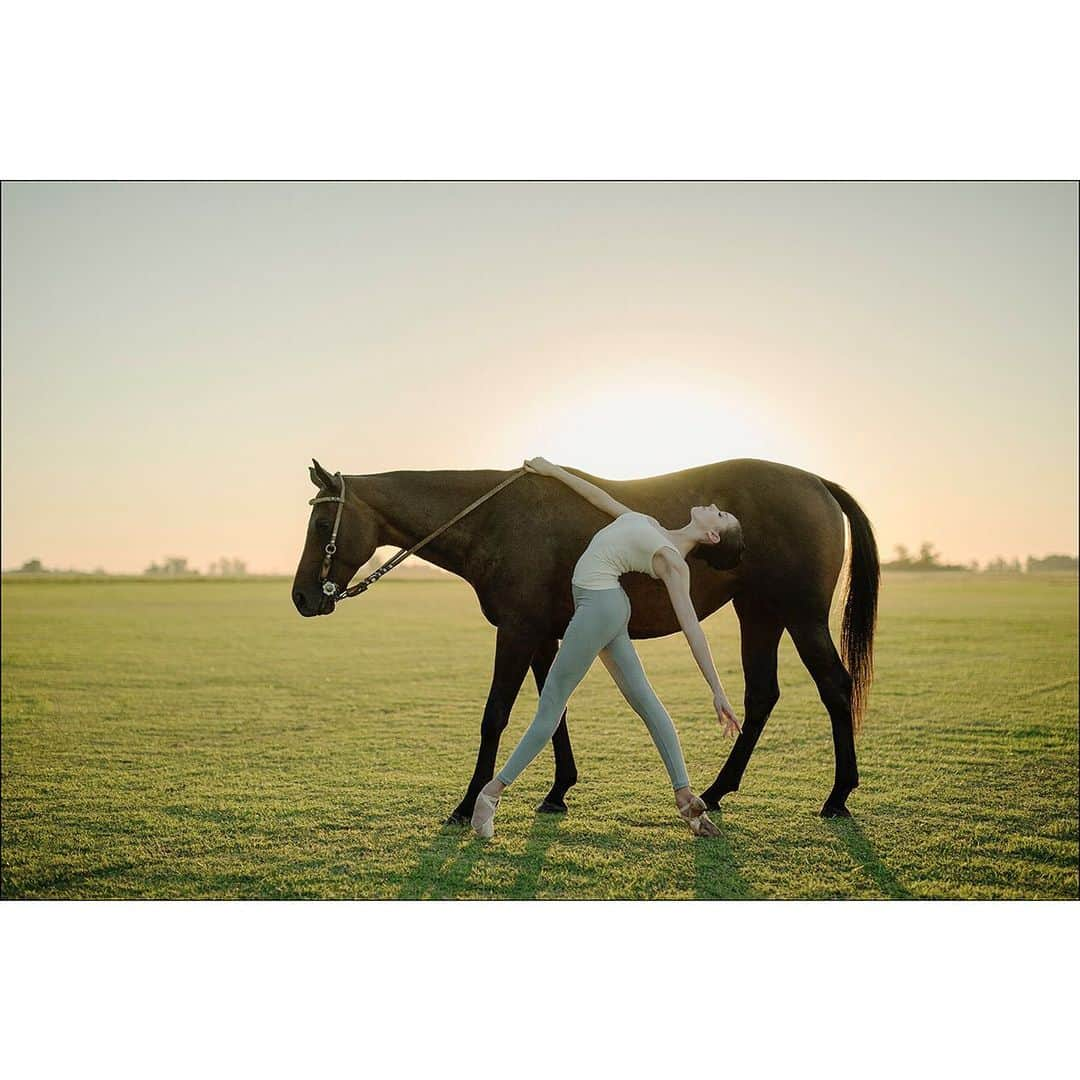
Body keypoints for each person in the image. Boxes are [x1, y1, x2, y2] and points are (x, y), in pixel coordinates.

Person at [471, 456, 745, 839]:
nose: (714, 508)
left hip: (599, 607)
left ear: (712, 537)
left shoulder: (673, 562)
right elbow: (601, 497)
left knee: (551, 704)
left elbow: (692, 630)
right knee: (645, 701)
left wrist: (718, 690)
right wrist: (553, 470)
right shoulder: (651, 524)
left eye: (720, 516)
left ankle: (490, 795)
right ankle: (686, 800)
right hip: (607, 607)